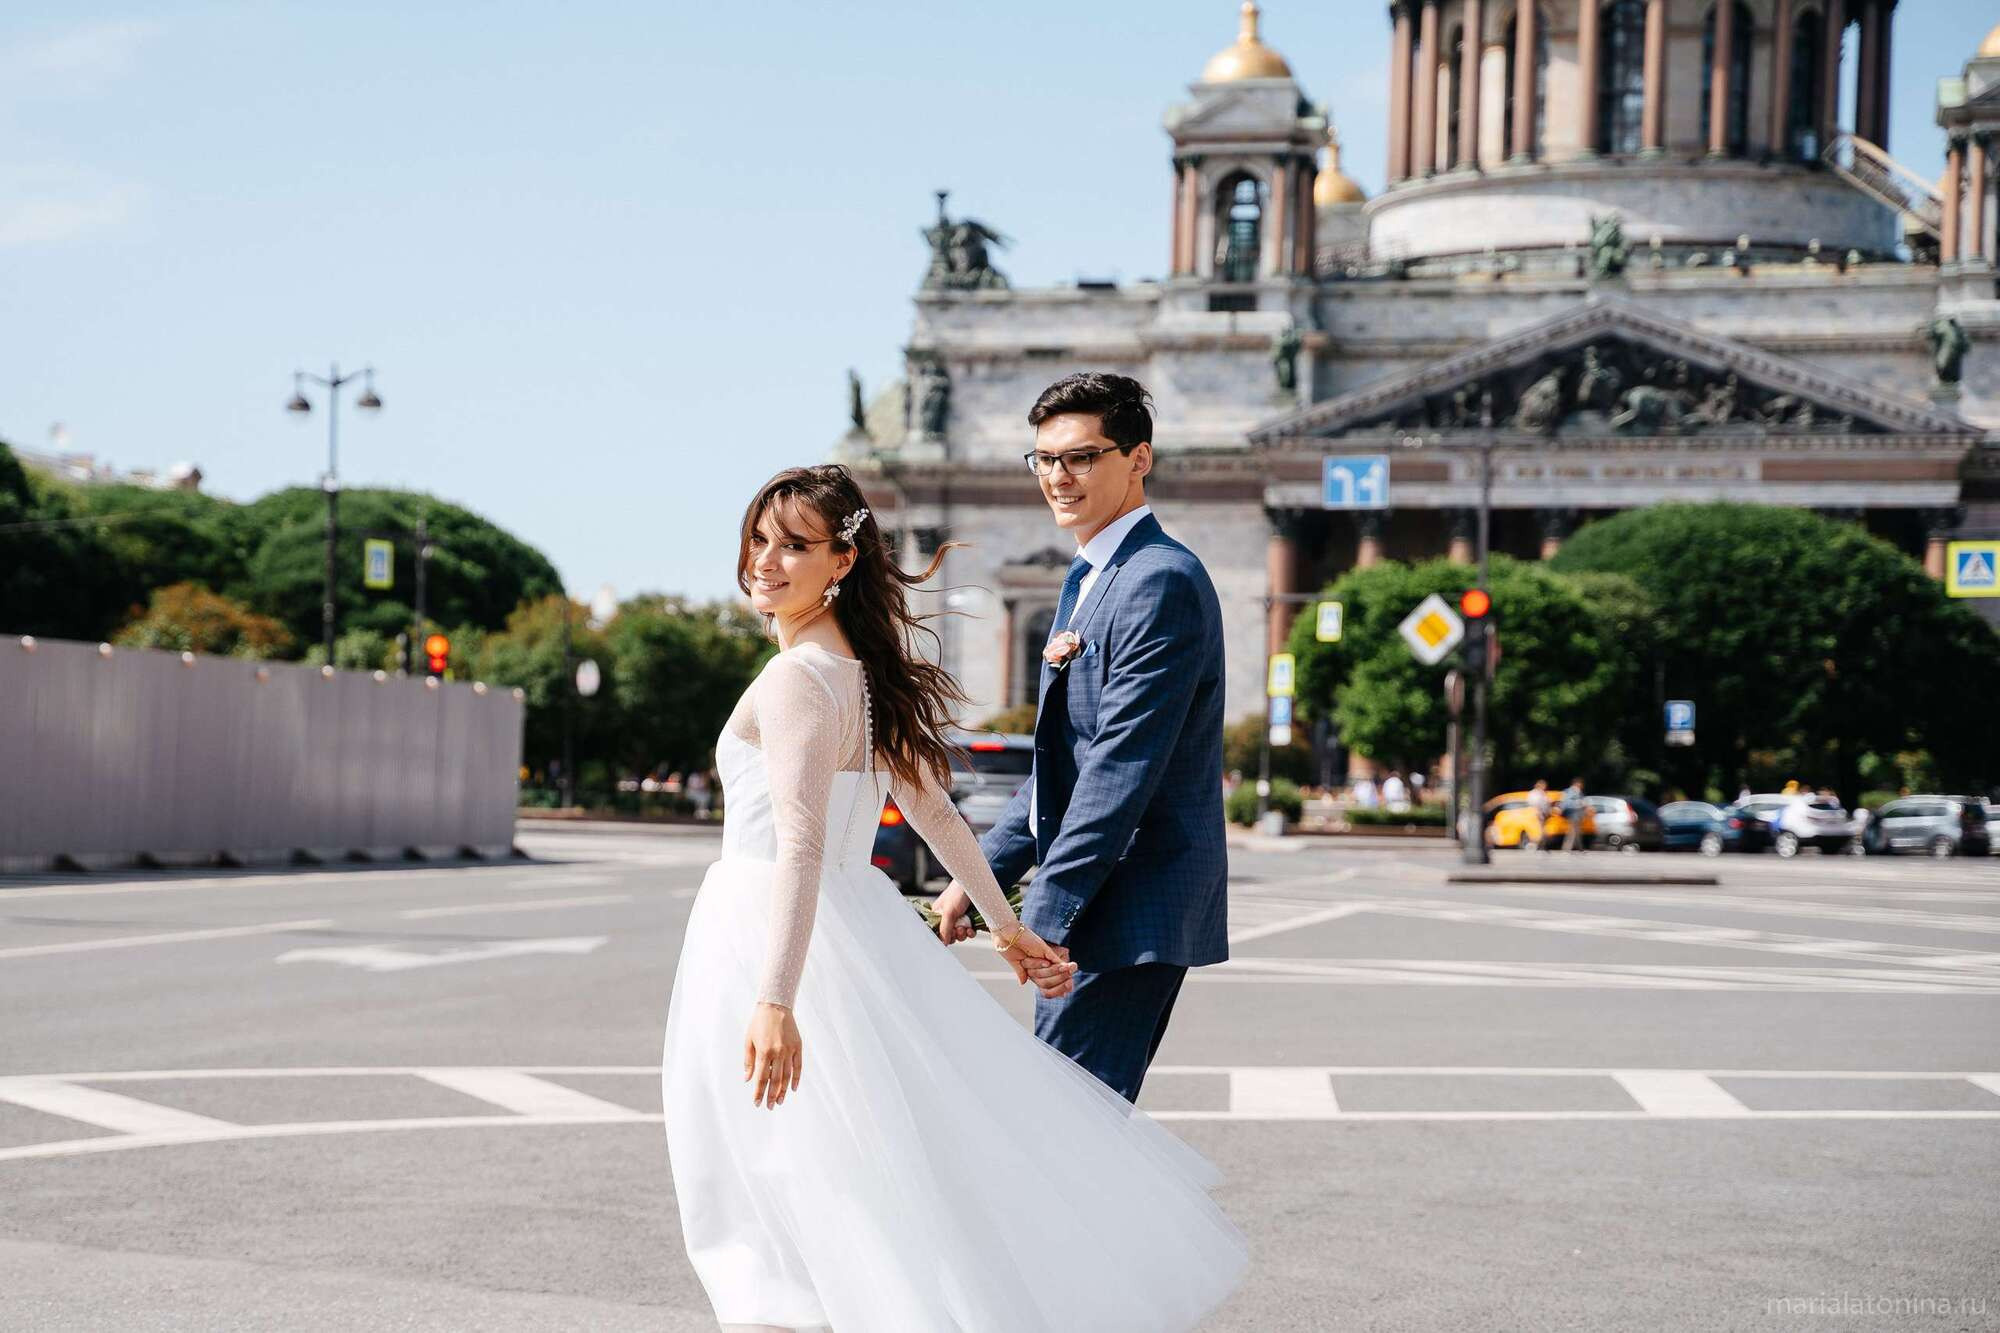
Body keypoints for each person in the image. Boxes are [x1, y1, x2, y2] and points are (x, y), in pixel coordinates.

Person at [661, 464, 1246, 1333]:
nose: (765, 563)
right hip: (850, 931)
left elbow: (802, 844)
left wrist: (775, 998)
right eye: (758, 539)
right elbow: (932, 811)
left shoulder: (796, 679)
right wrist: (1008, 927)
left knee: (766, 1190)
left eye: (794, 546)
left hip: (772, 938)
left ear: (844, 561)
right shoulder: (862, 674)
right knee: (861, 1178)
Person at [930, 373, 1231, 1105]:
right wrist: (981, 876)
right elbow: (1065, 760)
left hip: (1127, 905)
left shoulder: (1158, 580)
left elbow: (1120, 767)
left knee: (1061, 1127)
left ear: (1139, 459)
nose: (1058, 477)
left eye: (1082, 457)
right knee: (1075, 1132)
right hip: (1104, 904)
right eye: (1044, 459)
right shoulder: (1093, 574)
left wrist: (1040, 917)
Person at [1560, 776, 1587, 852]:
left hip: (1578, 814)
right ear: (1577, 784)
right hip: (1572, 814)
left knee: (1577, 832)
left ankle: (1579, 848)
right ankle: (1567, 848)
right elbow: (1566, 803)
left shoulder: (1579, 792)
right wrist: (1578, 803)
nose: (1582, 786)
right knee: (1573, 831)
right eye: (1581, 784)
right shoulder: (1569, 791)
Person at [1528, 778, 1553, 851]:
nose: (1545, 787)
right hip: (1538, 813)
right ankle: (1539, 845)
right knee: (1542, 831)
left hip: (1545, 813)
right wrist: (1538, 812)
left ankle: (1540, 845)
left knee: (1543, 830)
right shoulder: (1534, 793)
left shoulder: (1543, 793)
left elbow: (1547, 803)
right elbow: (1534, 804)